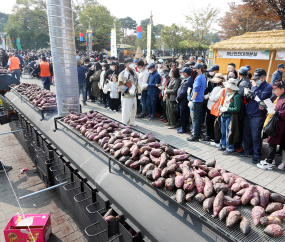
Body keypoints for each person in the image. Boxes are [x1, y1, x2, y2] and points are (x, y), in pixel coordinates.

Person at [241, 68, 273, 163]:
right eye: (254, 78)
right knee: (246, 134)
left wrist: (254, 87)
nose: (255, 80)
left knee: (256, 136)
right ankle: (248, 151)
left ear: (263, 77)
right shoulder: (253, 85)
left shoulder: (268, 87)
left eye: (257, 78)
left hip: (258, 115)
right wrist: (247, 93)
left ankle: (257, 155)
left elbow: (261, 98)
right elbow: (250, 97)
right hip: (248, 113)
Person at [256, 81, 285, 169]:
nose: (274, 92)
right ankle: (270, 160)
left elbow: (283, 113)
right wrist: (264, 107)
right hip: (271, 122)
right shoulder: (276, 96)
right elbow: (270, 106)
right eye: (273, 90)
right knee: (271, 142)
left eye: (276, 90)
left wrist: (276, 113)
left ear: (282, 89)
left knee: (272, 143)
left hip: (279, 125)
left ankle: (269, 162)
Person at [219, 78, 241, 155]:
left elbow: (237, 109)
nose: (226, 87)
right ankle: (224, 145)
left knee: (229, 133)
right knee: (223, 132)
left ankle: (230, 148)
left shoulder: (236, 96)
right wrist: (222, 107)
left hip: (230, 117)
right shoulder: (227, 93)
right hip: (223, 115)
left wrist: (226, 109)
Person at [187, 63, 207, 142]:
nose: (194, 70)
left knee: (195, 119)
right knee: (197, 119)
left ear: (199, 69)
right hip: (200, 100)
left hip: (196, 100)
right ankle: (197, 134)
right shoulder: (203, 77)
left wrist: (191, 100)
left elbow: (196, 90)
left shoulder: (198, 78)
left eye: (195, 69)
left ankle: (195, 136)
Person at [205, 73, 225, 143]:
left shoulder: (217, 88)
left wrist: (209, 96)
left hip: (211, 107)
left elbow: (213, 99)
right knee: (213, 122)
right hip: (215, 108)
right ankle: (213, 136)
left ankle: (209, 136)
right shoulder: (222, 88)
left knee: (209, 122)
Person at [118, 58, 137, 126]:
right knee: (126, 110)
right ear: (126, 64)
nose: (131, 64)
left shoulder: (134, 72)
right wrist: (128, 90)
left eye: (132, 62)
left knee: (133, 109)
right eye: (129, 63)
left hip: (134, 94)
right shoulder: (123, 73)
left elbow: (135, 82)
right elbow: (120, 85)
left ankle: (131, 122)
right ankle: (125, 123)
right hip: (126, 95)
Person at [176, 67, 193, 133]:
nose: (181, 73)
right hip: (182, 101)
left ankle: (184, 128)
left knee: (184, 115)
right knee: (182, 115)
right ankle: (182, 126)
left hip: (184, 101)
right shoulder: (185, 79)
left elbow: (183, 92)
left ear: (186, 73)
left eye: (183, 72)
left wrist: (177, 98)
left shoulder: (188, 81)